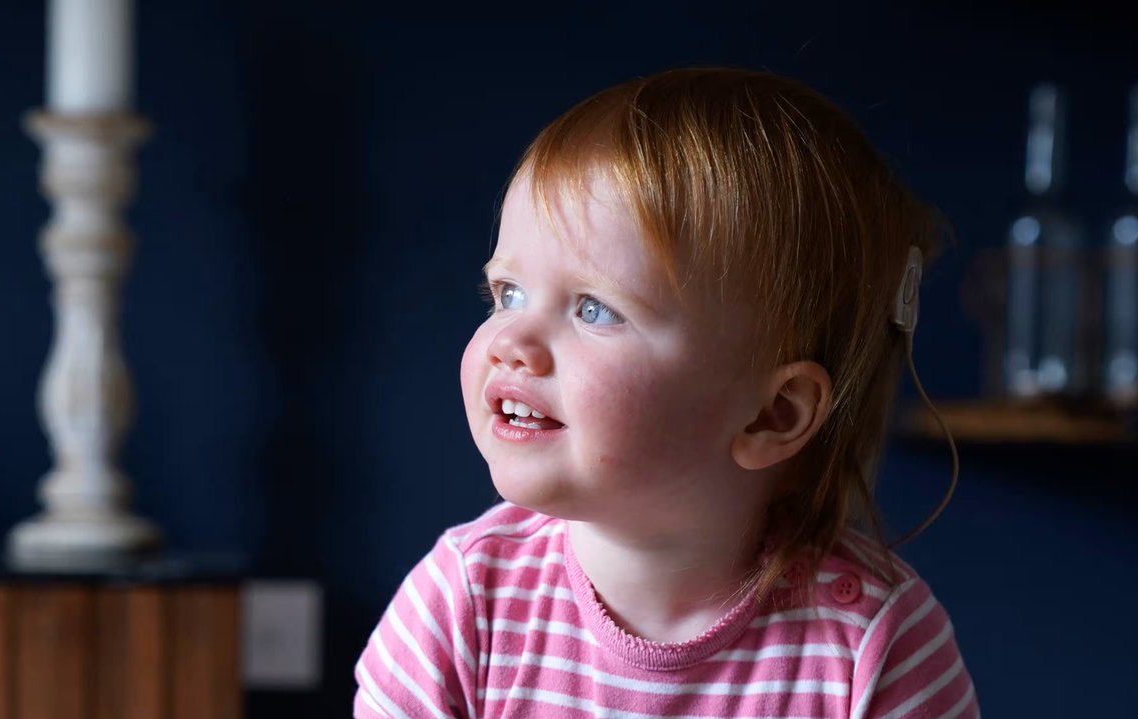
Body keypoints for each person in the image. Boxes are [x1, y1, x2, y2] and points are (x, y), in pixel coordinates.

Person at [354, 67, 978, 718]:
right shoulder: (461, 602)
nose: (512, 339)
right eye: (507, 293)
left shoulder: (877, 646)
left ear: (773, 413)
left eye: (594, 308)